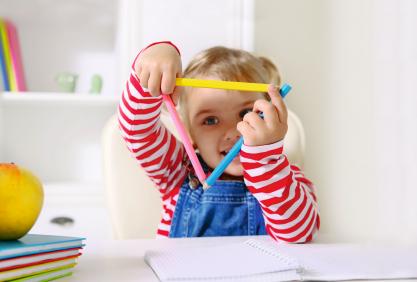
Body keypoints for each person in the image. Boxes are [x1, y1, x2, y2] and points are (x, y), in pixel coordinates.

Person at [118, 41, 320, 242]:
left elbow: (297, 235)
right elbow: (136, 130)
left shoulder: (285, 177)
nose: (233, 133)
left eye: (246, 113)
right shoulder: (176, 171)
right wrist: (152, 64)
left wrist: (264, 159)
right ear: (189, 134)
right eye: (210, 120)